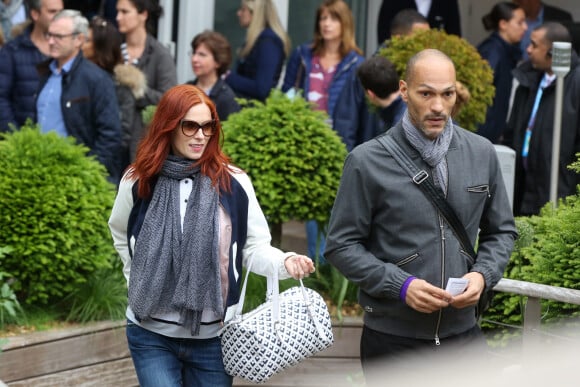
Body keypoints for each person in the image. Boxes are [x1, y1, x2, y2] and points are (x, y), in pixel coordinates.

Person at [325, 49, 517, 381]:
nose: (439, 106)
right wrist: (401, 285)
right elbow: (341, 246)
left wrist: (483, 275)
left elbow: (502, 232)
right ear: (403, 91)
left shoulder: (481, 152)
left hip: (464, 337)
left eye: (448, 94)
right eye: (426, 93)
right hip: (392, 339)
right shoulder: (366, 161)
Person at [108, 84, 315, 387]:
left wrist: (286, 262)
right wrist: (137, 279)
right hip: (150, 333)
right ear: (168, 126)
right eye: (190, 126)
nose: (200, 135)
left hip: (214, 339)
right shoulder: (138, 179)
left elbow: (254, 246)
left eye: (208, 126)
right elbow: (121, 233)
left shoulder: (233, 181)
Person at [281, 0, 364, 263]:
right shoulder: (304, 55)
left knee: (334, 203)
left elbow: (359, 109)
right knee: (313, 202)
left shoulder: (356, 62)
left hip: (339, 140)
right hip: (307, 138)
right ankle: (318, 264)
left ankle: (329, 264)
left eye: (333, 18)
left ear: (345, 23)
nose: (326, 24)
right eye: (323, 18)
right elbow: (286, 91)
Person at [503, 22, 580, 216]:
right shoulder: (529, 79)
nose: (528, 50)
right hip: (523, 185)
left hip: (559, 190)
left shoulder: (574, 84)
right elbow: (513, 130)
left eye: (534, 45)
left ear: (553, 51)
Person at [35, 9, 121, 181]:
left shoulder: (97, 79)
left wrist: (86, 172)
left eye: (59, 36)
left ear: (79, 40)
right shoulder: (45, 72)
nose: (51, 41)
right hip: (42, 172)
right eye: (49, 35)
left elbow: (110, 135)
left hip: (78, 177)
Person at [333, 9, 429, 152]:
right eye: (420, 39)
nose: (426, 45)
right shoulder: (366, 73)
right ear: (397, 39)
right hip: (370, 163)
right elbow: (345, 125)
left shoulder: (424, 73)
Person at [82, 15, 146, 181]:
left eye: (87, 40)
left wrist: (91, 165)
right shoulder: (74, 78)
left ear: (100, 48)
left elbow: (120, 137)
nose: (80, 44)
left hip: (104, 172)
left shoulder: (121, 85)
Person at [116, 0, 177, 161]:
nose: (118, 17)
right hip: (113, 137)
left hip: (142, 140)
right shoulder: (113, 49)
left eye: (125, 12)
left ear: (143, 14)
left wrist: (138, 88)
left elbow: (168, 100)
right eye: (118, 11)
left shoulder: (160, 54)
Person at [0, 0, 63, 132]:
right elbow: (2, 99)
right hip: (23, 142)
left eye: (61, 11)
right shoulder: (13, 51)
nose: (59, 17)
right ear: (35, 14)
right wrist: (16, 138)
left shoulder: (70, 50)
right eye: (52, 12)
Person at [477, 2, 528, 144]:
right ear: (503, 24)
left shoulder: (506, 50)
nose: (525, 27)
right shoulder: (492, 51)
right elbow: (481, 92)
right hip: (483, 134)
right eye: (520, 22)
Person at [225, 0, 290, 102]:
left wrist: (228, 77)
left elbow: (262, 88)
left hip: (254, 112)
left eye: (243, 9)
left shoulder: (268, 42)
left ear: (255, 13)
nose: (238, 13)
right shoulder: (257, 40)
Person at [186, 30, 240, 121]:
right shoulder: (186, 89)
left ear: (218, 62)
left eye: (202, 55)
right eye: (194, 53)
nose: (194, 59)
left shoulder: (226, 98)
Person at [377, 0, 461, 44]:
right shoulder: (392, 2)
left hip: (436, 63)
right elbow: (383, 34)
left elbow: (455, 36)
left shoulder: (448, 2)